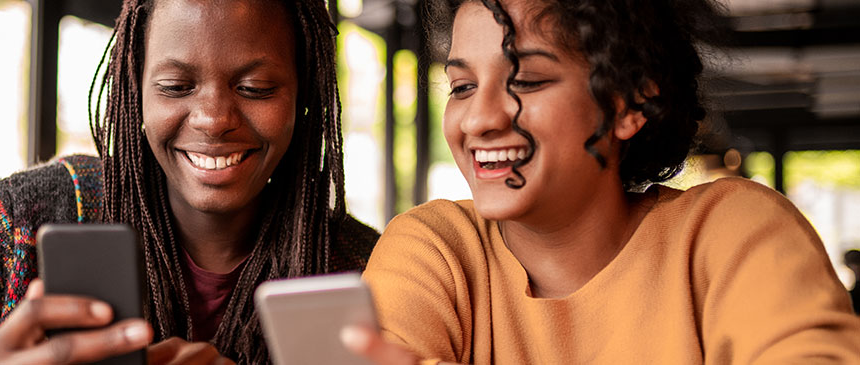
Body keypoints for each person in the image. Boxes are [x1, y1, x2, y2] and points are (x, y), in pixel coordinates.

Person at [0, 0, 379, 364]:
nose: (213, 119)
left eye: (255, 88)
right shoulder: (33, 217)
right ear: (134, 90)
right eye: (175, 87)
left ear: (306, 96)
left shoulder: (367, 270)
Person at [340, 0, 860, 363]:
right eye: (462, 86)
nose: (477, 120)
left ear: (628, 103)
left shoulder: (731, 232)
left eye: (527, 81)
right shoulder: (435, 248)